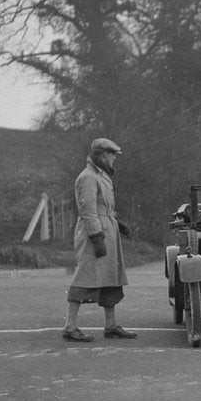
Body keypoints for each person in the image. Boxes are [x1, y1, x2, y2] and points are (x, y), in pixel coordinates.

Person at [62, 137, 135, 342]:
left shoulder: (101, 176)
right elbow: (88, 210)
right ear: (104, 155)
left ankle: (110, 325)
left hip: (107, 231)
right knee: (85, 276)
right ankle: (70, 326)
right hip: (94, 234)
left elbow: (103, 207)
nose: (114, 159)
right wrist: (97, 237)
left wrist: (117, 223)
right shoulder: (87, 177)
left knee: (111, 277)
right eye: (112, 155)